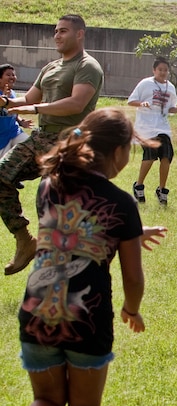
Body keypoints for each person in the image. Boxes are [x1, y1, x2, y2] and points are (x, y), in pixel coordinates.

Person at [9, 108, 163, 406]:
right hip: (87, 317)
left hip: (38, 310)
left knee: (45, 399)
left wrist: (130, 231)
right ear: (118, 153)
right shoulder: (122, 203)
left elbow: (71, 228)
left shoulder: (49, 183)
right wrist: (132, 308)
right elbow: (133, 277)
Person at [0, 14, 103, 276]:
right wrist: (7, 103)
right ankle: (24, 240)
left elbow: (76, 103)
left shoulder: (87, 66)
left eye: (63, 31)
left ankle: (64, 270)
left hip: (69, 143)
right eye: (56, 31)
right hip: (40, 138)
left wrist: (35, 108)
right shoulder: (51, 67)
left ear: (79, 34)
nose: (57, 36)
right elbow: (28, 99)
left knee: (50, 205)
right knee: (1, 175)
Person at [127, 57, 177, 206]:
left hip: (162, 127)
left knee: (167, 155)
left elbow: (170, 107)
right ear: (154, 70)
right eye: (160, 69)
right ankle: (139, 186)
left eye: (165, 70)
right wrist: (142, 103)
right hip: (146, 127)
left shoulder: (170, 87)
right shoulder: (145, 84)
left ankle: (162, 190)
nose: (163, 72)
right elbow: (131, 101)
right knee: (150, 156)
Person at [0, 64, 33, 158]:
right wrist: (4, 99)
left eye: (13, 75)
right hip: (1, 138)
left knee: (31, 150)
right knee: (4, 164)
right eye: (8, 75)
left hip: (14, 132)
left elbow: (12, 112)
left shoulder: (13, 94)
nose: (12, 77)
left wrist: (20, 121)